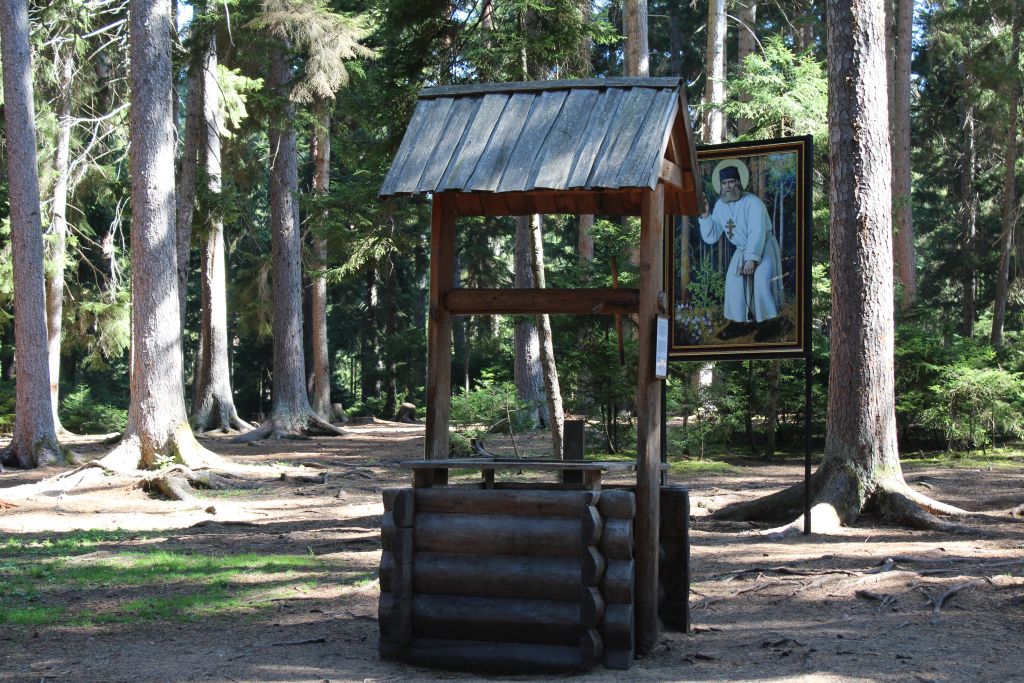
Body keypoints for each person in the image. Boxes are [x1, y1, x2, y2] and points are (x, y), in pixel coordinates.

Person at [697, 159, 784, 342]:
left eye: (731, 182)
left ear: (738, 183)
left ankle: (770, 323)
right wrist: (705, 215)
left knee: (761, 281)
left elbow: (757, 231)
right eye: (724, 183)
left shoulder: (753, 203)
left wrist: (752, 259)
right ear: (720, 186)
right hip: (742, 249)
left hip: (763, 246)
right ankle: (739, 324)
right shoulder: (720, 206)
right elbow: (712, 236)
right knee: (734, 283)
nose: (728, 187)